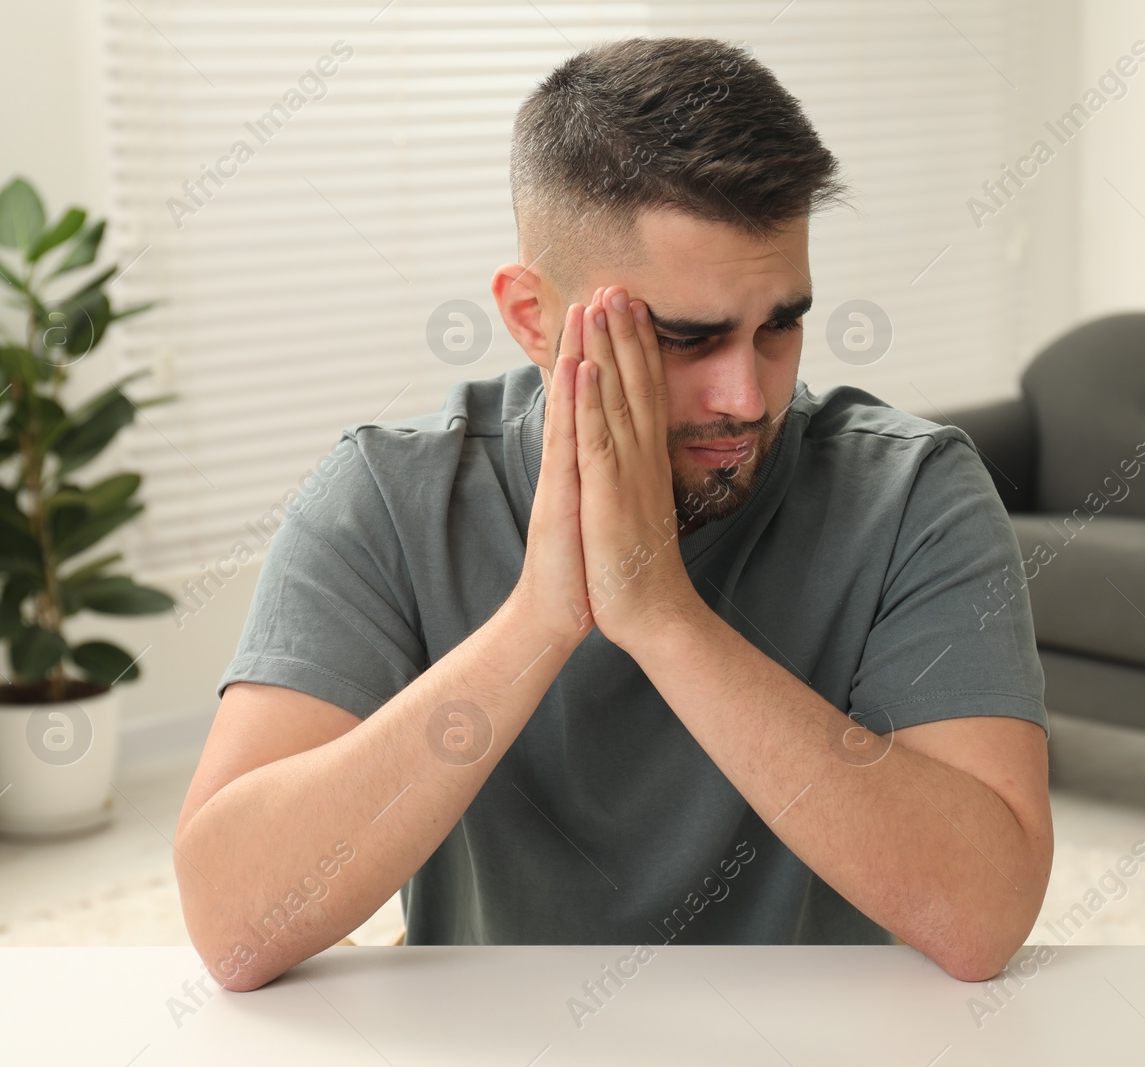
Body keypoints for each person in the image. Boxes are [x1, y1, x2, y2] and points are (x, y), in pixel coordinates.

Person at [174, 35, 1052, 993]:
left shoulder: (912, 493)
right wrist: (537, 624)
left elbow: (982, 919)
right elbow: (233, 925)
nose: (747, 396)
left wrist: (665, 618)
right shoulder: (390, 496)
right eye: (684, 338)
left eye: (780, 324)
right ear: (531, 316)